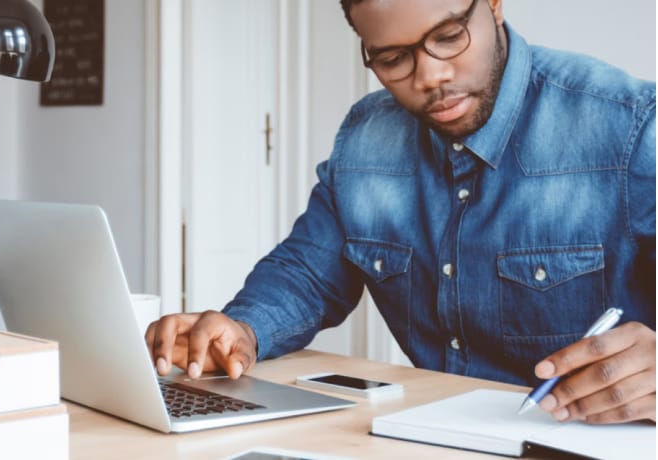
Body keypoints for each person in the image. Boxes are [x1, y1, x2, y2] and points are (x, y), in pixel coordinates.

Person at [146, 0, 656, 425]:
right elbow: (308, 274)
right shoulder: (366, 137)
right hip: (426, 435)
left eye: (450, 36)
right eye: (392, 58)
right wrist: (242, 328)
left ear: (495, 5)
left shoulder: (628, 126)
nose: (431, 76)